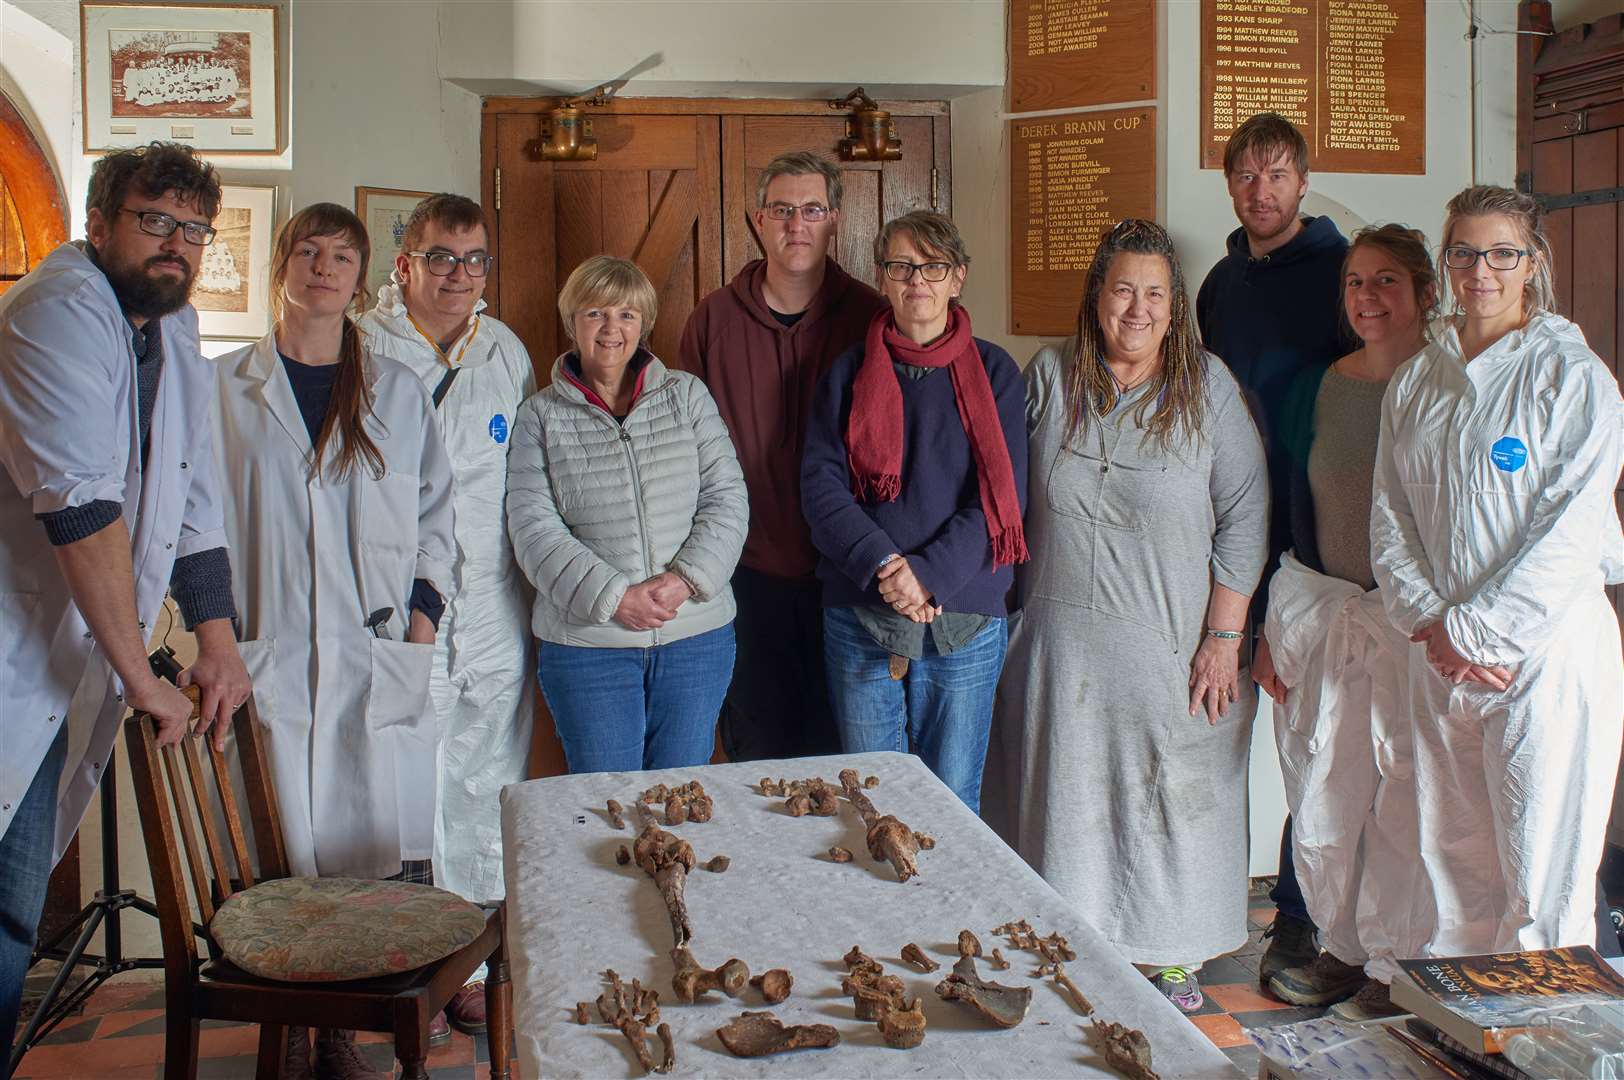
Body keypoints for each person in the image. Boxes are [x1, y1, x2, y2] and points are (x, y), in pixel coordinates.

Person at [0, 143, 250, 1062]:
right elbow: (83, 507)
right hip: (15, 662)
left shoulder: (171, 330)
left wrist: (216, 643)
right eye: (156, 221)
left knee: (11, 916)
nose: (176, 245)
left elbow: (192, 498)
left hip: (65, 663)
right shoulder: (55, 315)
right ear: (98, 224)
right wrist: (140, 674)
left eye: (194, 230)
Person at [990, 219, 1267, 1013]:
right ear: (1096, 297)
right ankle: (1069, 947)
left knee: (1170, 803)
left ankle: (1171, 953)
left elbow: (1246, 515)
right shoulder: (1049, 376)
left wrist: (1223, 638)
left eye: (1154, 293)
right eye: (1122, 290)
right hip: (1060, 643)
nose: (1137, 309)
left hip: (1173, 642)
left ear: (1175, 307)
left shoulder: (1207, 389)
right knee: (1067, 801)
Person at [211, 203, 455, 1079]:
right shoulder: (223, 390)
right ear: (281, 263)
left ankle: (355, 1025)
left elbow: (437, 516)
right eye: (308, 250)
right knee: (286, 863)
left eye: (342, 255)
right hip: (269, 657)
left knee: (373, 857)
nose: (324, 266)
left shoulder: (395, 387)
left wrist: (422, 620)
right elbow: (192, 522)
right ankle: (306, 1031)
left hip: (374, 653)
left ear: (362, 277)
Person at [1371, 185, 1624, 961]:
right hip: (1441, 656)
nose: (1481, 270)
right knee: (1451, 862)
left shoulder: (1571, 378)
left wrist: (1478, 630)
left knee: (1541, 877)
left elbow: (1574, 531)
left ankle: (1541, 1047)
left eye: (1501, 253)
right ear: (1446, 263)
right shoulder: (1417, 382)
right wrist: (1436, 626)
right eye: (1465, 252)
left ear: (1532, 263)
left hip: (1543, 656)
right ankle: (1462, 1036)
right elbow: (1389, 521)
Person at [360, 194, 534, 1039]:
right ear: (405, 265)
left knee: (482, 781)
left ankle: (464, 963)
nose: (459, 275)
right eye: (440, 258)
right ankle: (397, 971)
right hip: (395, 605)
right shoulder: (361, 349)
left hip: (494, 603)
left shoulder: (505, 351)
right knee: (398, 791)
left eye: (474, 260)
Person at [1260, 225, 1439, 1021]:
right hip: (1333, 617)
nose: (1369, 297)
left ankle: (1399, 962)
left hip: (1417, 631)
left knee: (1412, 798)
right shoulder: (1316, 388)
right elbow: (1292, 510)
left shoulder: (1450, 387)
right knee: (1329, 788)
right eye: (1357, 283)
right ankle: (1332, 945)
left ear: (1427, 292)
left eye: (1388, 281)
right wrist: (1277, 626)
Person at [801, 210, 1026, 813]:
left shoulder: (997, 373)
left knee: (952, 803)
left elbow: (1000, 497)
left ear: (958, 278)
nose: (916, 280)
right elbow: (821, 490)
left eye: (932, 267)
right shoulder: (847, 374)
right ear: (883, 277)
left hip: (967, 620)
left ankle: (952, 913)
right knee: (869, 800)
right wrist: (885, 563)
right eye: (902, 266)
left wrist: (924, 574)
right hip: (861, 611)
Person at [1196, 112, 1349, 985]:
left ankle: (1301, 917)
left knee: (1313, 742)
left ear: (1301, 180)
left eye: (1278, 174)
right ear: (1231, 186)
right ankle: (1207, 899)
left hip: (1314, 544)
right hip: (1230, 539)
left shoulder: (1340, 272)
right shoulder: (1219, 282)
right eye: (1246, 176)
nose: (1262, 191)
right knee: (1216, 720)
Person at [679, 151, 887, 763]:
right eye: (782, 209)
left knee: (843, 764)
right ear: (759, 220)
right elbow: (686, 455)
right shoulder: (712, 320)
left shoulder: (872, 317)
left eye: (813, 209)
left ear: (835, 220)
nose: (797, 224)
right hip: (746, 576)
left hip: (847, 579)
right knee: (756, 760)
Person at [508, 256, 747, 773]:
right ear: (573, 322)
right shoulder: (539, 416)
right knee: (604, 804)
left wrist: (684, 582)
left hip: (695, 640)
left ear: (644, 323)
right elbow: (533, 528)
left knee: (683, 798)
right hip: (588, 649)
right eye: (595, 313)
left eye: (627, 314)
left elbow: (727, 497)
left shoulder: (687, 396)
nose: (612, 329)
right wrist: (615, 597)